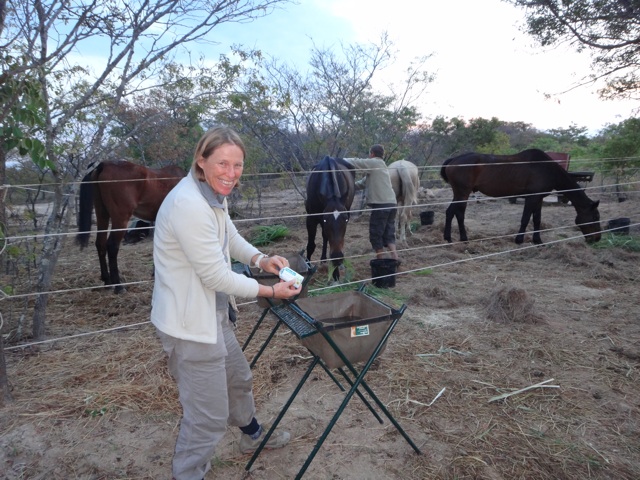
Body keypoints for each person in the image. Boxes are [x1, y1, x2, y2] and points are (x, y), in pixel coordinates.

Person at [151, 126, 300, 480]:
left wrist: (261, 260)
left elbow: (228, 235)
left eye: (238, 165)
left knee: (238, 379)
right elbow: (215, 277)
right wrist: (270, 291)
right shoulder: (188, 204)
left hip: (214, 314)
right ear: (201, 161)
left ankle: (251, 437)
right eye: (222, 164)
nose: (230, 174)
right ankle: (188, 474)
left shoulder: (212, 193)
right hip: (190, 325)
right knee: (206, 418)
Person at [344, 144, 399, 261]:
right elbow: (361, 184)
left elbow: (357, 162)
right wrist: (348, 187)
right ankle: (395, 258)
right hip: (392, 204)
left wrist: (339, 160)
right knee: (389, 232)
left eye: (370, 154)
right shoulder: (381, 167)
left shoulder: (375, 163)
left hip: (381, 205)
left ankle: (381, 260)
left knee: (376, 233)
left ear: (372, 154)